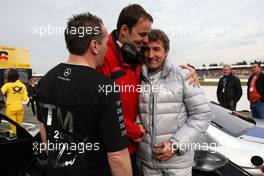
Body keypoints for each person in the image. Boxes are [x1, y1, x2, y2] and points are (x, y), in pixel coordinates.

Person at [96, 4, 199, 175]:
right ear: (124, 30)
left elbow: (160, 63)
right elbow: (100, 109)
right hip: (114, 149)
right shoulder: (102, 56)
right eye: (142, 35)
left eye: (148, 38)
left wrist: (186, 71)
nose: (145, 43)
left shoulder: (136, 55)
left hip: (137, 152)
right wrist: (132, 129)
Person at [36, 13, 132, 176]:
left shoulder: (45, 80)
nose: (106, 49)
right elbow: (117, 155)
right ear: (94, 45)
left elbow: (44, 129)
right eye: (105, 44)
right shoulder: (105, 87)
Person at [137, 29, 213, 176]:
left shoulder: (183, 76)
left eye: (156, 49)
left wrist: (175, 145)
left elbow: (202, 115)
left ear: (166, 51)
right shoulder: (136, 77)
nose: (151, 55)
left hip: (177, 167)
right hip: (146, 166)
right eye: (146, 49)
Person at [0, 69, 29, 135]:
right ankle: (22, 137)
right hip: (20, 108)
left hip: (10, 108)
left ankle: (16, 139)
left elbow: (1, 93)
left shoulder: (7, 85)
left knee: (13, 127)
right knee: (20, 124)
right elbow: (25, 99)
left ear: (8, 76)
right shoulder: (23, 85)